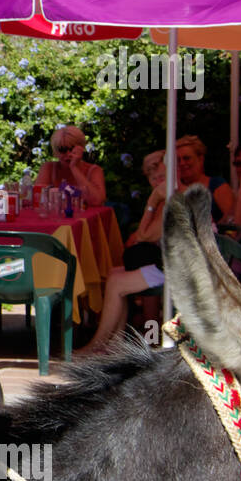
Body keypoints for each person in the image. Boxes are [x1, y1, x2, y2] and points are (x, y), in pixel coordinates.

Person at [75, 149, 166, 356]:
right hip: (166, 263)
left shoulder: (170, 200)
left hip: (177, 269)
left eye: (161, 177)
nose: (157, 182)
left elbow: (145, 234)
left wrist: (152, 201)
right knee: (115, 273)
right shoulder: (165, 200)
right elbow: (144, 235)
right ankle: (114, 343)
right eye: (153, 178)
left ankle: (98, 345)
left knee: (118, 282)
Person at [35, 125, 106, 208]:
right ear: (55, 152)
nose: (68, 154)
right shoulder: (49, 168)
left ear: (82, 148)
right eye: (63, 150)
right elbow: (37, 198)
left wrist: (74, 168)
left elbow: (97, 201)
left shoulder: (94, 170)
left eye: (72, 149)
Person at [175, 134, 232, 222]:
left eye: (186, 158)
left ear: (200, 159)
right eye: (178, 160)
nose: (182, 163)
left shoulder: (217, 185)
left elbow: (232, 217)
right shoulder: (173, 189)